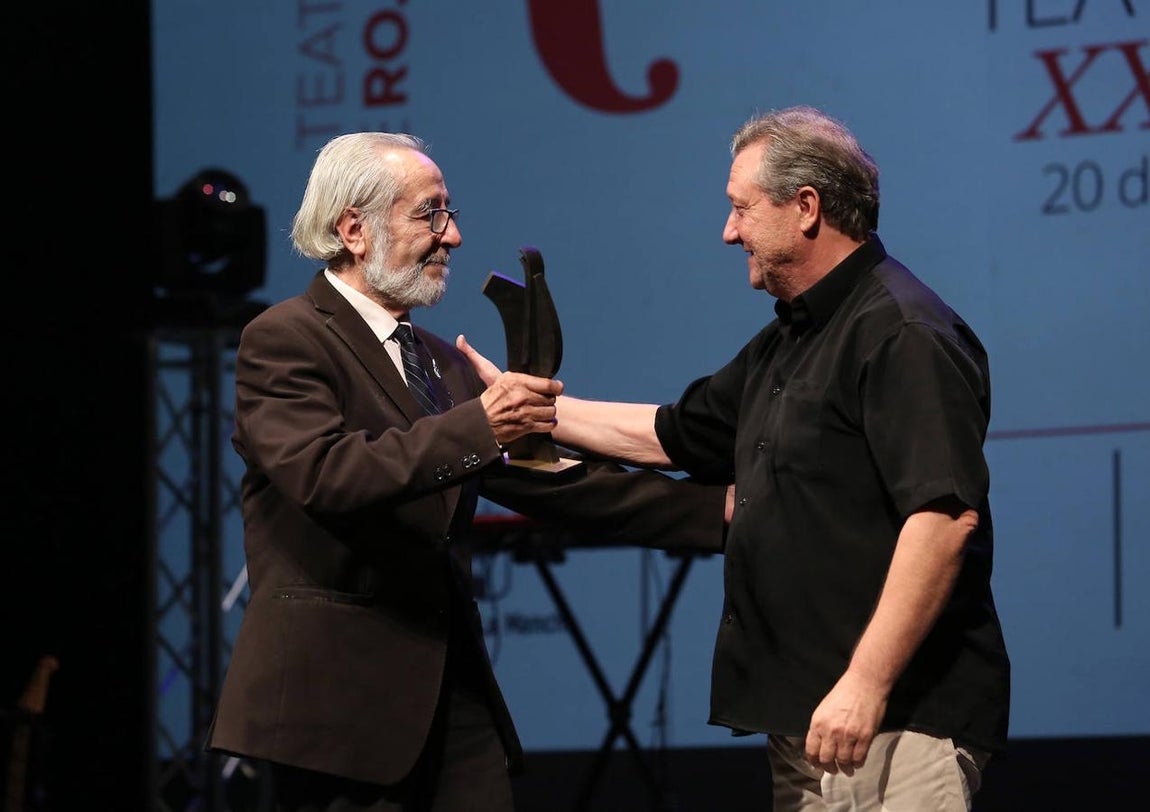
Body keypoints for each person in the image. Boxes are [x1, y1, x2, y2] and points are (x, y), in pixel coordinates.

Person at [460, 105, 1011, 811]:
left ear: (806, 208)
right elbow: (672, 434)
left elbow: (943, 519)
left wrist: (865, 683)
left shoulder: (901, 331)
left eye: (740, 209)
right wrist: (528, 410)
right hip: (812, 721)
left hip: (892, 723)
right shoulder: (794, 337)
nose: (729, 232)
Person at [205, 132, 728, 812]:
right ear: (353, 230)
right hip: (333, 712)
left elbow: (552, 483)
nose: (452, 236)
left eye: (448, 214)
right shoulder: (286, 338)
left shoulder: (437, 362)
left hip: (449, 700)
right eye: (430, 213)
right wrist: (485, 422)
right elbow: (326, 475)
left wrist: (718, 511)